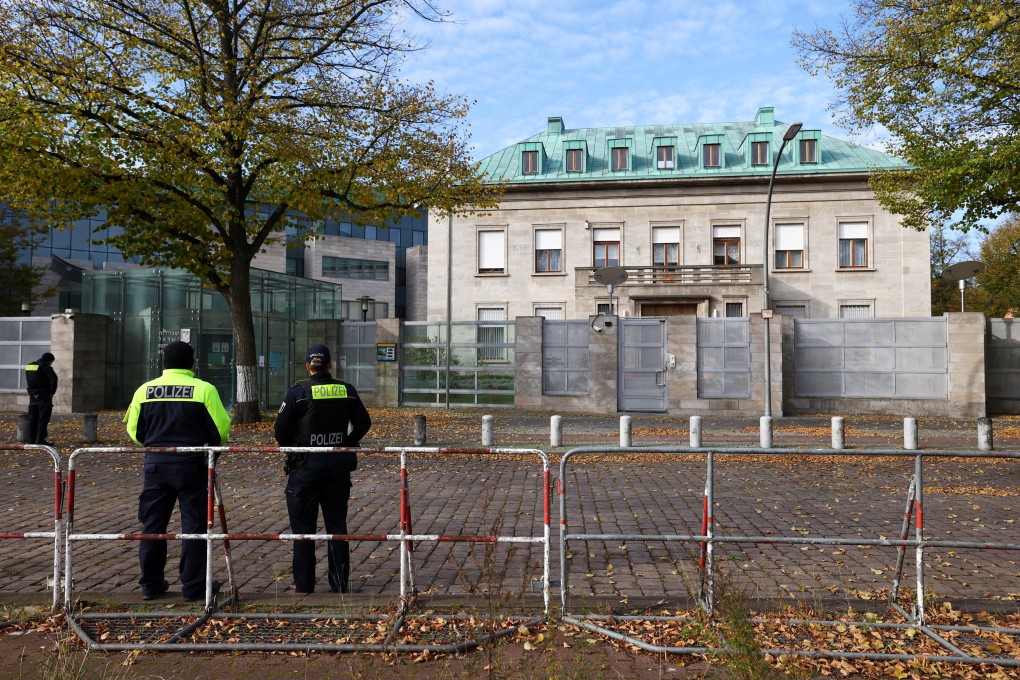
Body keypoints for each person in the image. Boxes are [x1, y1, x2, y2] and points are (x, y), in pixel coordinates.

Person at [124, 340, 231, 601]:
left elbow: (134, 431)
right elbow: (221, 429)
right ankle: (194, 587)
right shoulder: (204, 389)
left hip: (156, 464)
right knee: (194, 526)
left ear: (164, 363)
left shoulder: (144, 390)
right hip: (192, 465)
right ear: (192, 363)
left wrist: (155, 444)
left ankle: (150, 585)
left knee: (152, 525)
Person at [275, 344, 371, 594]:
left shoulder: (298, 392)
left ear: (308, 366)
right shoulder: (346, 390)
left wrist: (295, 450)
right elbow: (363, 423)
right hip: (337, 466)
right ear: (330, 365)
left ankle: (304, 586)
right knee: (337, 526)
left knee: (303, 529)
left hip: (305, 467)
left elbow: (281, 431)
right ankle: (339, 584)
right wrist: (347, 443)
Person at [24, 353, 58, 445]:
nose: (51, 364)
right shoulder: (46, 368)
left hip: (32, 396)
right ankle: (40, 440)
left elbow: (29, 380)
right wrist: (51, 392)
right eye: (51, 362)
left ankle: (31, 440)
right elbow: (54, 380)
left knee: (32, 419)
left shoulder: (30, 367)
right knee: (43, 418)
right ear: (49, 360)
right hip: (44, 396)